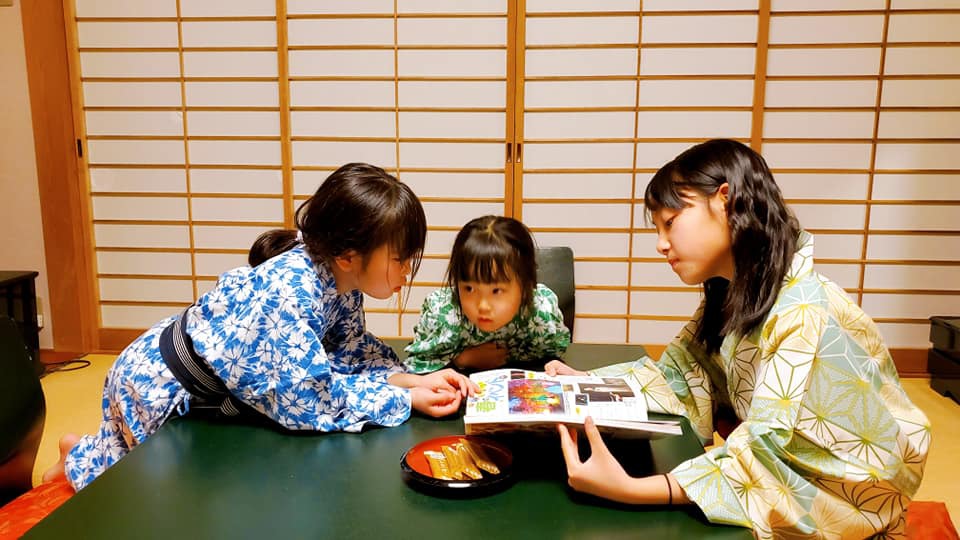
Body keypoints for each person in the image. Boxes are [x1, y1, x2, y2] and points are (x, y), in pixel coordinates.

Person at [545, 140, 930, 538]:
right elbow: (681, 374)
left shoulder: (804, 310)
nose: (660, 243)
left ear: (724, 201)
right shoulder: (735, 295)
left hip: (844, 507)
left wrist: (634, 489)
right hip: (782, 481)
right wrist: (587, 386)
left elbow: (769, 455)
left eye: (670, 222)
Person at [43, 163, 476, 491]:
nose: (407, 271)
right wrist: (406, 399)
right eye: (400, 258)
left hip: (191, 377)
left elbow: (348, 352)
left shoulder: (339, 275)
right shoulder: (287, 295)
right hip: (156, 385)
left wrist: (413, 380)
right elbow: (309, 402)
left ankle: (77, 449)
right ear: (349, 254)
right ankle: (74, 458)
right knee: (147, 494)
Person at [404, 215, 571, 373]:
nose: (483, 305)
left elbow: (553, 354)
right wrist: (461, 360)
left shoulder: (541, 312)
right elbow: (416, 366)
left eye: (496, 291)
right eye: (469, 289)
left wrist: (550, 364)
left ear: (526, 285)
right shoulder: (444, 316)